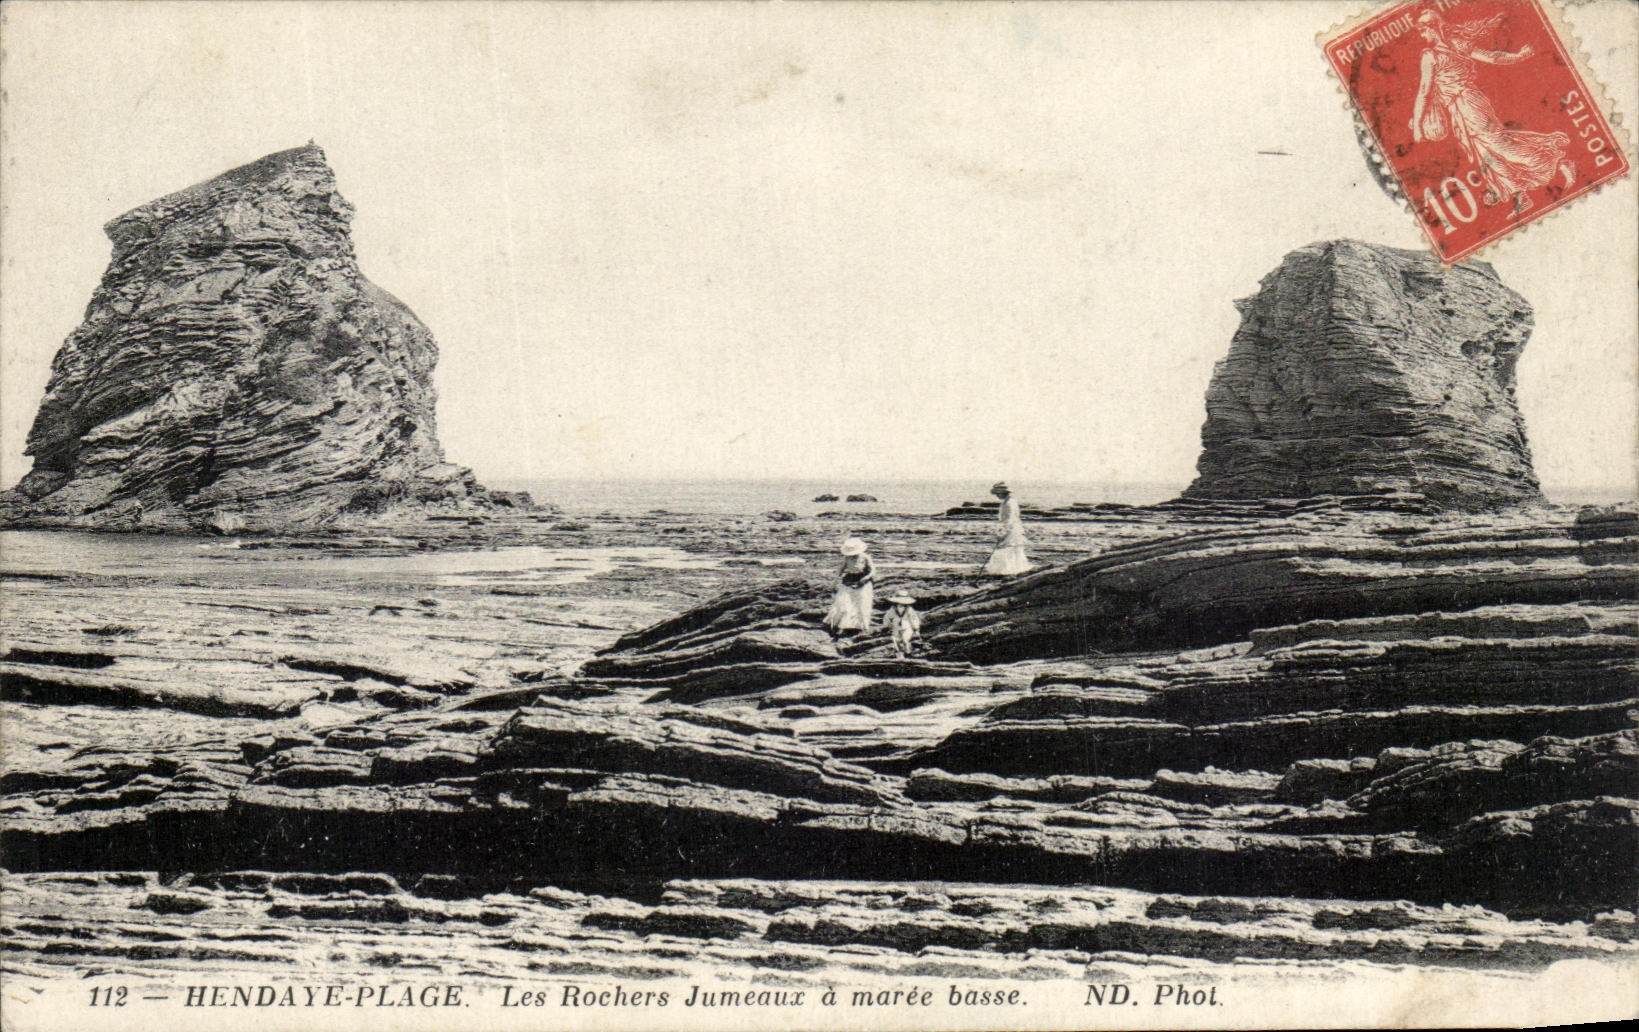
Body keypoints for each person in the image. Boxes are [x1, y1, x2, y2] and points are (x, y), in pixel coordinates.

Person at [1409, 9, 1574, 218]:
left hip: (1467, 106)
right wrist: (1519, 56)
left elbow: (1424, 91)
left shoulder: (1430, 56)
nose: (1422, 36)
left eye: (1423, 31)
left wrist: (1417, 126)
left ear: (1433, 28)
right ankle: (1519, 196)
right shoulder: (1457, 45)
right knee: (1485, 154)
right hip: (1464, 106)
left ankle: (1555, 161)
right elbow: (1494, 58)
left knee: (1498, 145)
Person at [823, 537, 875, 637]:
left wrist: (866, 577)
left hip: (862, 581)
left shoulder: (865, 557)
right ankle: (840, 625)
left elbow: (872, 570)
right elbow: (840, 570)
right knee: (844, 603)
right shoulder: (846, 559)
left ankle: (859, 626)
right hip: (849, 580)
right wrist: (834, 583)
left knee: (860, 604)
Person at [983, 482, 1031, 575]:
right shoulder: (1009, 501)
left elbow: (1009, 519)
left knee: (1007, 548)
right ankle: (1013, 569)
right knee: (1011, 548)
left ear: (1002, 493)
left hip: (1011, 528)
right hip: (1012, 527)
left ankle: (1007, 570)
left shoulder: (1009, 503)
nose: (997, 496)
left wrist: (1003, 531)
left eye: (997, 494)